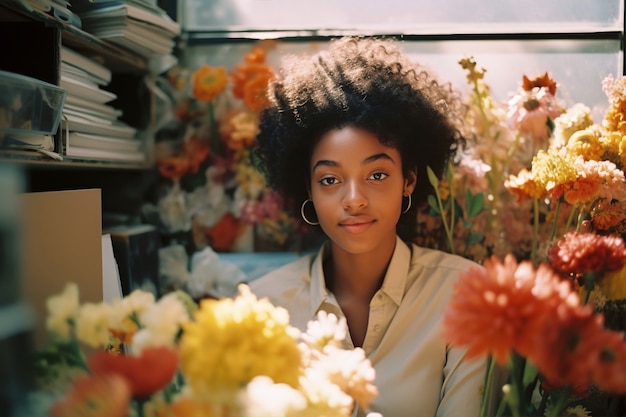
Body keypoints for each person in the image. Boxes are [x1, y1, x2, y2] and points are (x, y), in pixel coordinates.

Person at [249, 36, 486, 417]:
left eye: (376, 174)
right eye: (330, 180)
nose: (354, 199)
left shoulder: (465, 296)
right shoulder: (263, 308)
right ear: (306, 187)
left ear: (409, 179)